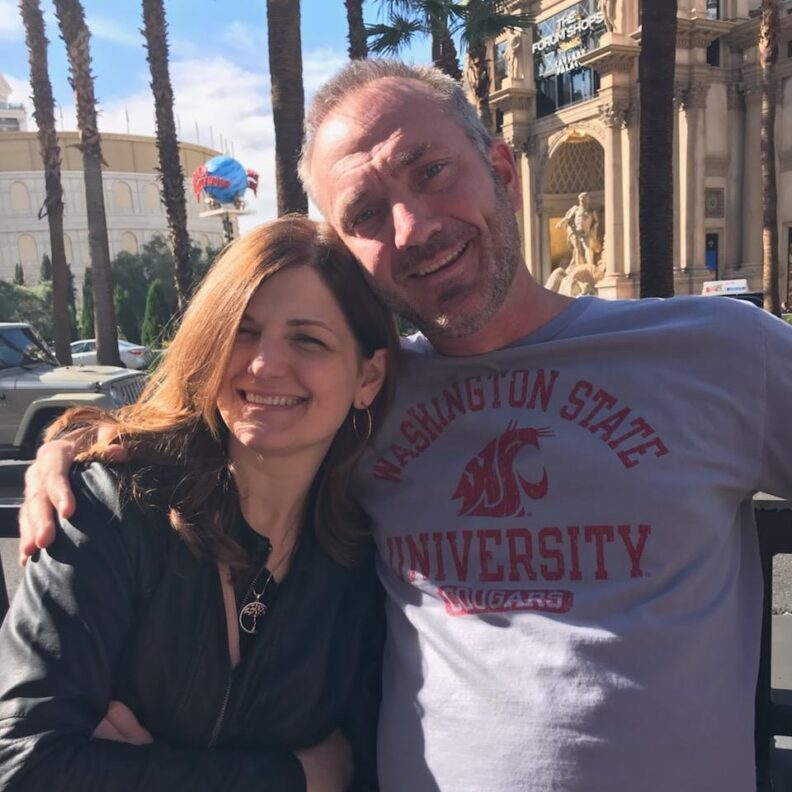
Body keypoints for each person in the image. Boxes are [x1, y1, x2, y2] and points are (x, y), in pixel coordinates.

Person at [19, 59, 792, 792]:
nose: (413, 225)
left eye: (432, 172)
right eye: (363, 214)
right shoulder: (360, 398)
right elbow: (227, 414)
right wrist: (77, 450)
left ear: (504, 171)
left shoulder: (720, 352)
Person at [1, 215, 399, 791]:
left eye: (308, 339)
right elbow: (23, 766)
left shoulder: (363, 563)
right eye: (242, 330)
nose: (264, 364)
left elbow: (365, 768)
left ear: (369, 377)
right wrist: (296, 778)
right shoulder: (108, 509)